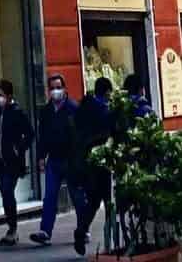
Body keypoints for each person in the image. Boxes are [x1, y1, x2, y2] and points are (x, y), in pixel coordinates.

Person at [30, 74, 84, 247]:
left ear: (64, 88)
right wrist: (40, 157)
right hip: (53, 160)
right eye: (52, 88)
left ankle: (84, 228)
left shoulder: (73, 108)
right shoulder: (46, 112)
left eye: (58, 87)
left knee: (77, 196)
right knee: (50, 197)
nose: (55, 91)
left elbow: (81, 135)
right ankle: (45, 231)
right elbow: (42, 136)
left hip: (71, 160)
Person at [0, 79, 35, 246]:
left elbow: (30, 134)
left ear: (9, 96)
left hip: (12, 161)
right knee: (5, 193)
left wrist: (19, 149)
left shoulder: (17, 112)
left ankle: (12, 229)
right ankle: (11, 227)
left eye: (1, 95)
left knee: (7, 190)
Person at [72, 77, 114, 257]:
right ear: (106, 93)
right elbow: (107, 133)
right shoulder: (103, 111)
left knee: (93, 202)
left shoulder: (83, 107)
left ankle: (81, 231)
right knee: (107, 201)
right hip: (101, 162)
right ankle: (111, 241)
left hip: (84, 162)